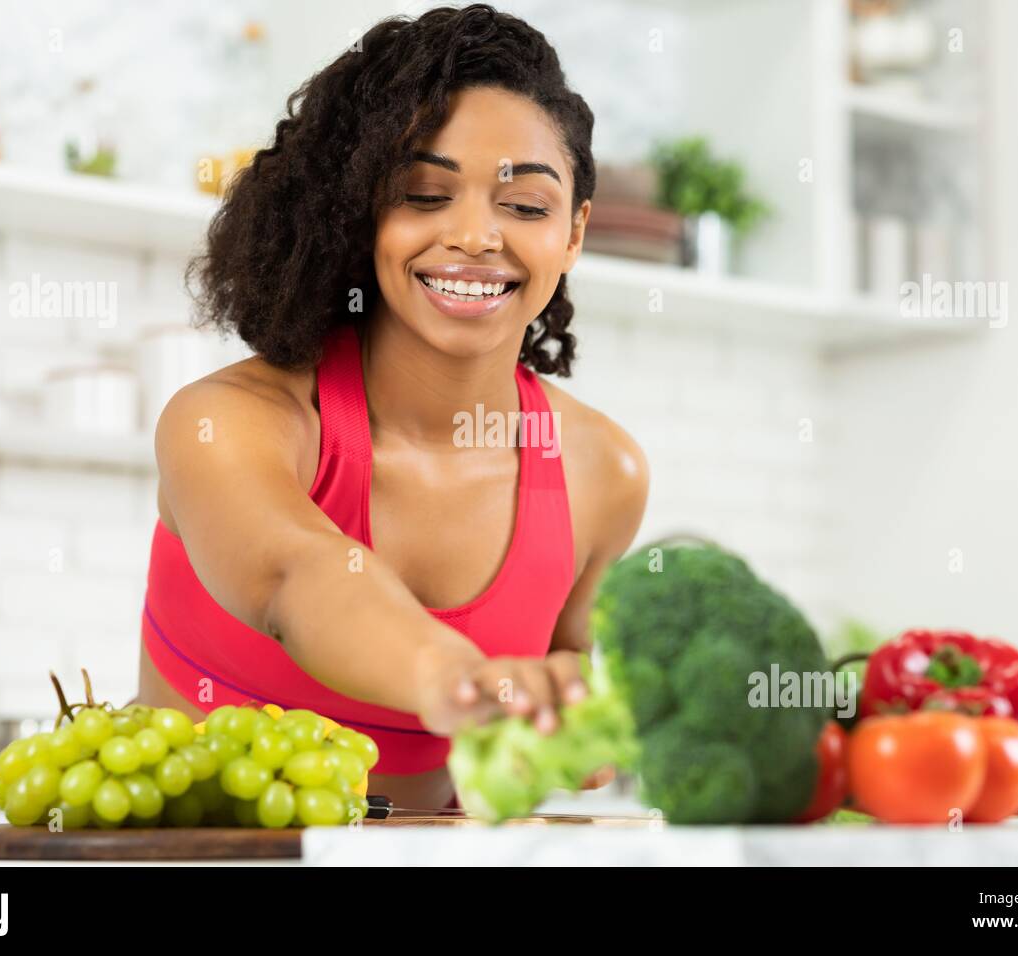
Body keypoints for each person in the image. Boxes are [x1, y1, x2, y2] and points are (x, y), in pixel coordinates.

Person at [136, 4, 648, 810]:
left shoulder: (603, 473)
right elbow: (300, 578)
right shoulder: (229, 425)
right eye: (423, 193)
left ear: (575, 230)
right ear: (361, 210)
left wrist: (573, 707)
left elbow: (570, 656)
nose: (476, 236)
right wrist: (456, 678)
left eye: (525, 206)